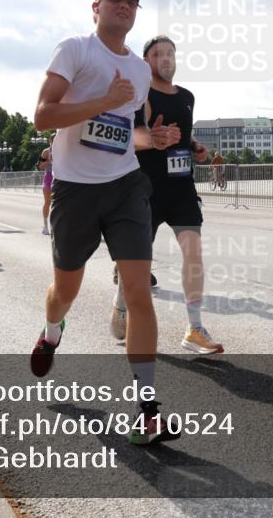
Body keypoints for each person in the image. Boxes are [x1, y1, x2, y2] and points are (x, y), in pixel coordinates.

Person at [31, 0, 180, 445]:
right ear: (96, 7)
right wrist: (104, 101)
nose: (125, 5)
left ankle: (147, 411)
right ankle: (52, 331)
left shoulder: (138, 70)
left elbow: (124, 129)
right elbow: (43, 115)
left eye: (132, 1)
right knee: (65, 290)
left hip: (125, 186)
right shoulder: (74, 50)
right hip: (76, 191)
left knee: (138, 291)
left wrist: (149, 139)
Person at [110, 34, 222, 354]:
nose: (167, 59)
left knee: (194, 255)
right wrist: (151, 138)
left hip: (182, 188)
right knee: (137, 264)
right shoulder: (139, 95)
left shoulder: (187, 96)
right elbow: (127, 136)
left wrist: (195, 146)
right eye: (159, 54)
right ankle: (121, 304)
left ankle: (194, 329)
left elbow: (183, 135)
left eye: (172, 53)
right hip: (144, 189)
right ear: (147, 62)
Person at [38, 135, 54, 234]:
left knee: (58, 205)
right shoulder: (46, 151)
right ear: (49, 141)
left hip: (59, 178)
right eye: (52, 140)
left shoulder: (63, 149)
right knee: (47, 202)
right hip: (48, 178)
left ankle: (56, 226)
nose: (54, 142)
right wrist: (49, 160)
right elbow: (40, 166)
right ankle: (45, 226)